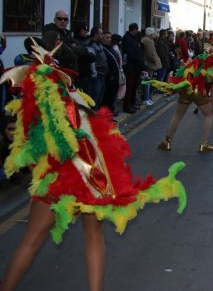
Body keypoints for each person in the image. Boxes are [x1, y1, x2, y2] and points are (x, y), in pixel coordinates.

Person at [0, 39, 186, 291]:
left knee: (32, 240)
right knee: (94, 236)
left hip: (61, 178)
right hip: (91, 174)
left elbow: (36, 154)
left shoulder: (37, 105)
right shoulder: (75, 100)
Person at [151, 49, 213, 152]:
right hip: (199, 91)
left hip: (187, 88)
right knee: (208, 115)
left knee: (177, 115)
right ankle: (204, 144)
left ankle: (166, 142)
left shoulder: (199, 59)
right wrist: (211, 99)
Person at [121, 23, 145, 113]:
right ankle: (127, 107)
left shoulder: (134, 38)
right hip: (131, 67)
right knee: (130, 87)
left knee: (134, 87)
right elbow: (130, 53)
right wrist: (139, 59)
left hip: (136, 67)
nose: (137, 32)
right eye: (136, 30)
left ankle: (132, 104)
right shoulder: (127, 38)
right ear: (134, 29)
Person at [141, 27, 162, 106]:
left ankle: (148, 98)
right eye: (154, 33)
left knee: (149, 81)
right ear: (151, 34)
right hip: (149, 64)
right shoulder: (148, 41)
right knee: (148, 81)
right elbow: (150, 53)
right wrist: (154, 61)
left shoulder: (148, 40)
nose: (155, 34)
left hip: (149, 63)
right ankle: (146, 98)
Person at [88, 27, 107, 110]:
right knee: (94, 100)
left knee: (99, 100)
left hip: (102, 76)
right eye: (101, 34)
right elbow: (91, 62)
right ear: (96, 34)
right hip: (97, 77)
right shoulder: (91, 45)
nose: (103, 36)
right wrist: (95, 73)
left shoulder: (100, 44)